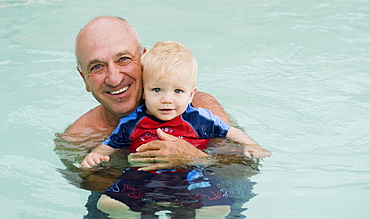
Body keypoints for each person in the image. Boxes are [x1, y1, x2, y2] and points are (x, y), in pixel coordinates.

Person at [80, 40, 270, 218]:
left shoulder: (200, 117)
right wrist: (94, 156)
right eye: (157, 90)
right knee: (108, 204)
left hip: (190, 176)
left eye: (177, 91)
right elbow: (111, 143)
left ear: (191, 94)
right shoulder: (133, 121)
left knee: (219, 207)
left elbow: (230, 132)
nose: (167, 99)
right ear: (144, 92)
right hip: (141, 177)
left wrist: (252, 145)